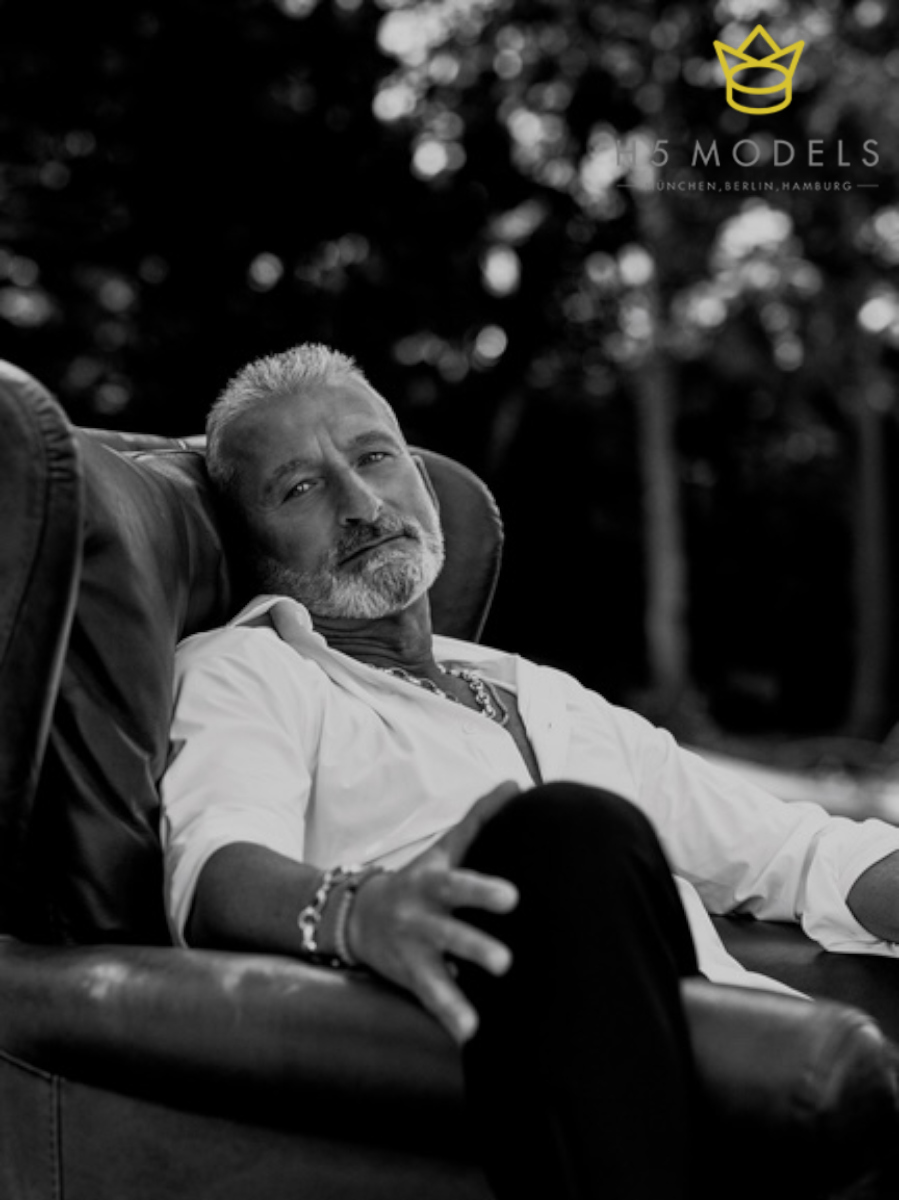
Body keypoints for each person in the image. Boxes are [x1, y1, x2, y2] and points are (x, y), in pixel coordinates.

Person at [160, 342, 898, 1200]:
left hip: (741, 1059)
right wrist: (357, 911)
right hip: (486, 1053)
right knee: (565, 831)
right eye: (300, 488)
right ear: (250, 544)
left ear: (422, 482)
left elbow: (794, 852)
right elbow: (217, 866)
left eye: (375, 458)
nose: (361, 504)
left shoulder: (538, 692)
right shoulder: (249, 669)